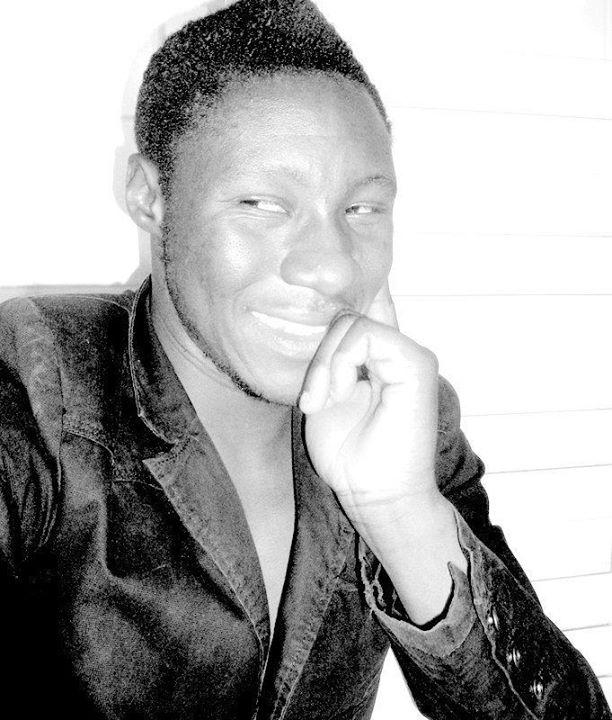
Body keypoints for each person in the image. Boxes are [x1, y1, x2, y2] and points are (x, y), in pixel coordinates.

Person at [0, 1, 609, 718]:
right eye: (262, 204)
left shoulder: (400, 415)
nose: (331, 269)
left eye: (361, 210)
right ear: (149, 196)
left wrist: (398, 508)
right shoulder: (36, 379)